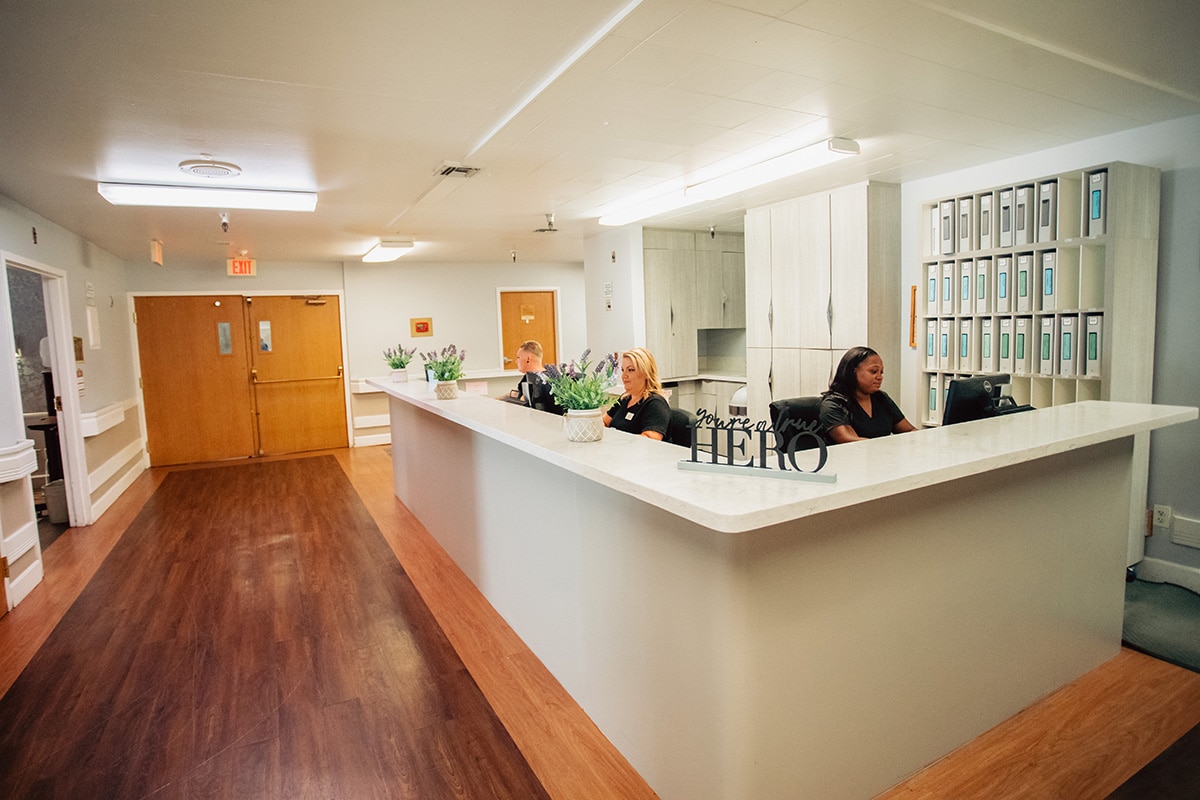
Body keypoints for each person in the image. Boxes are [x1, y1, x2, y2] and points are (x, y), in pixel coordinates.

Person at [819, 346, 916, 444]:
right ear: (853, 371)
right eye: (873, 371)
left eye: (881, 372)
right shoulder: (834, 404)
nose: (879, 377)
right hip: (854, 458)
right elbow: (849, 440)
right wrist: (887, 448)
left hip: (882, 456)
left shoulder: (881, 398)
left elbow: (909, 430)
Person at [604, 347, 671, 440]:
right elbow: (604, 422)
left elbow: (650, 441)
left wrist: (616, 440)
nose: (624, 376)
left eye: (630, 370)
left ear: (646, 373)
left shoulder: (655, 404)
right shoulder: (624, 399)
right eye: (623, 370)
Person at [502, 340, 563, 414]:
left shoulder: (545, 382)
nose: (516, 361)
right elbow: (518, 394)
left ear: (528, 359)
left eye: (518, 357)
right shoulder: (528, 377)